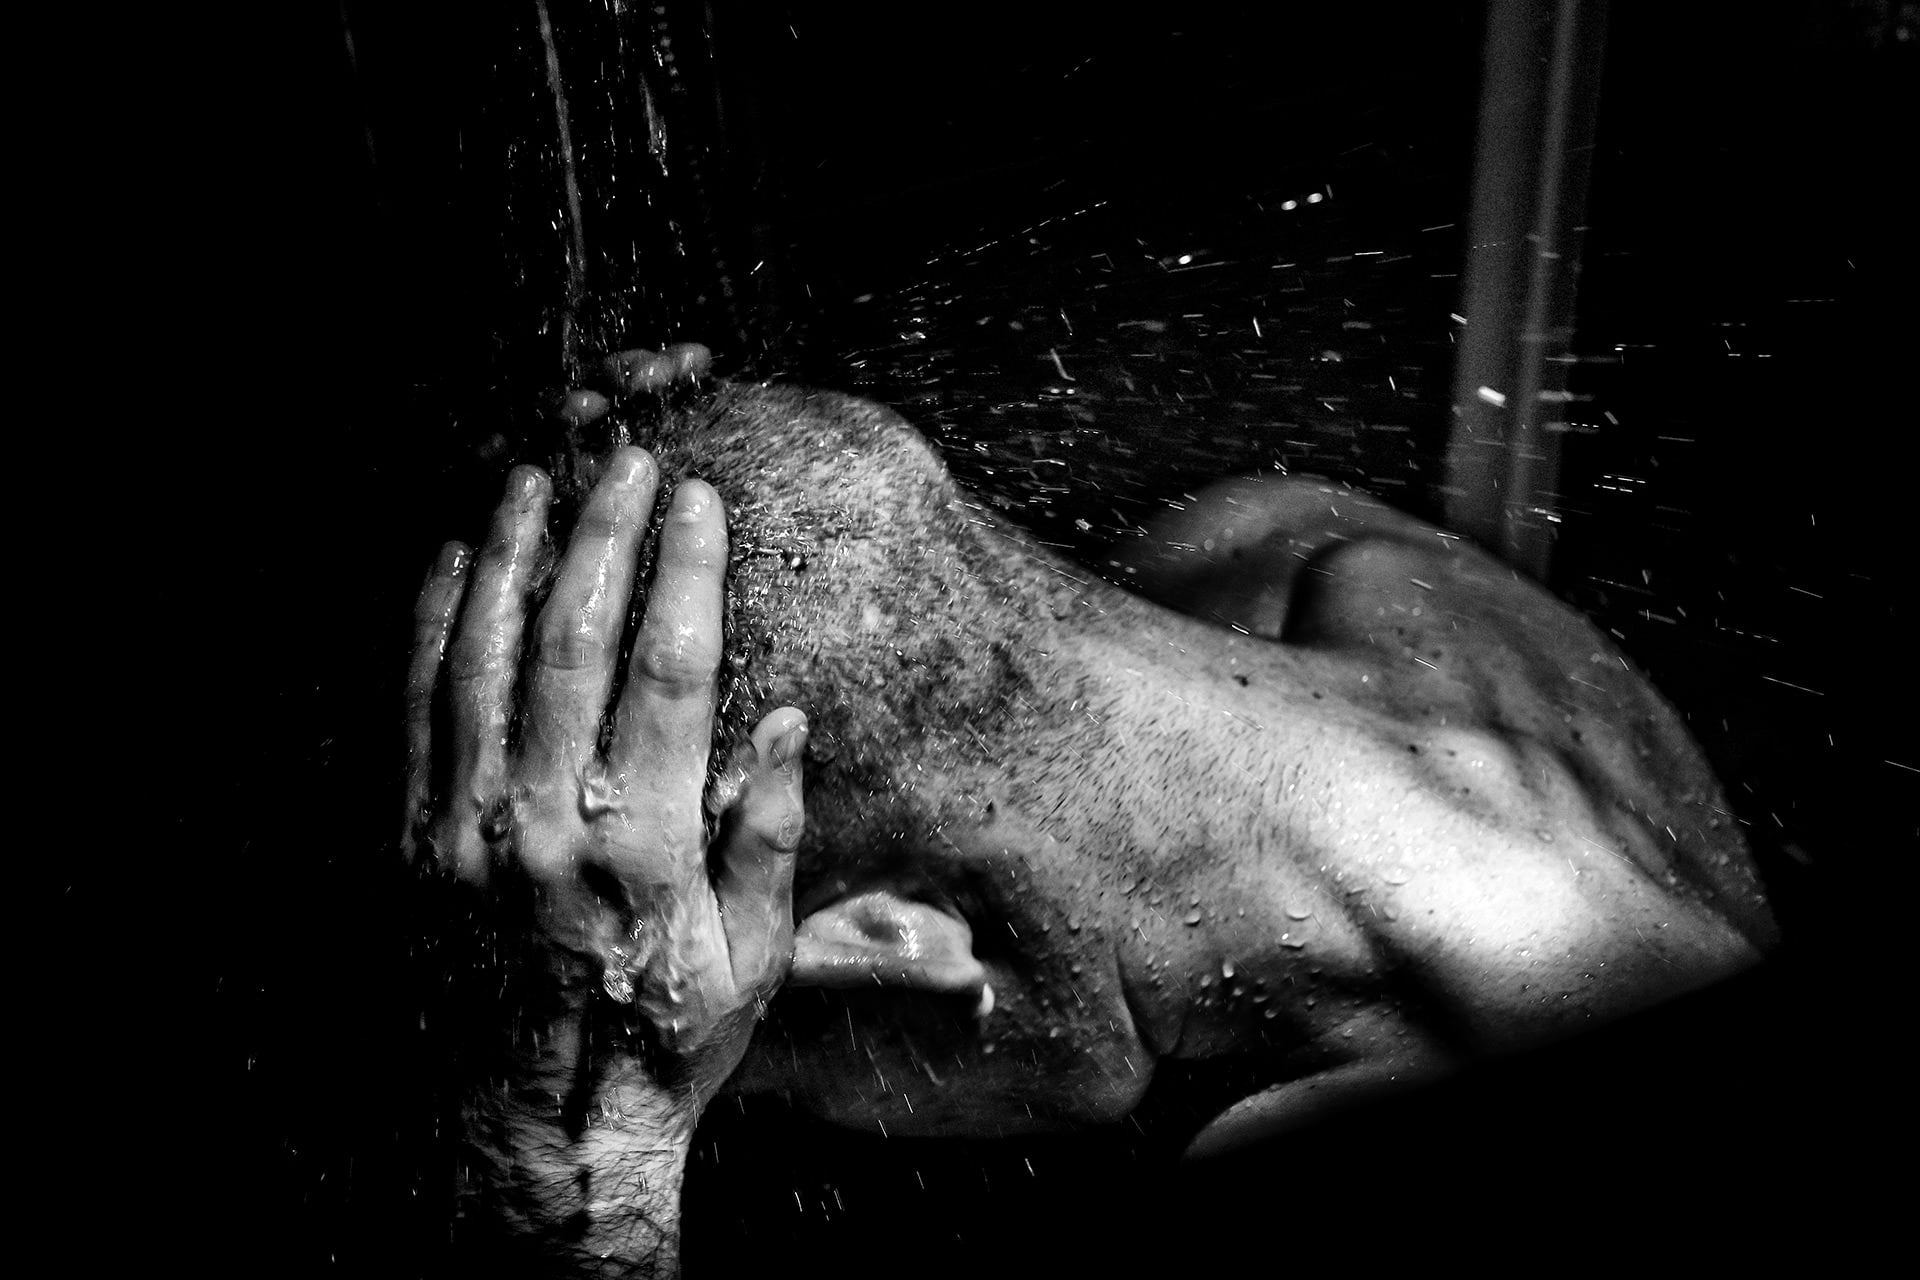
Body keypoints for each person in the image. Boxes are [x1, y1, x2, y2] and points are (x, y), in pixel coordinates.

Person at [403, 344, 1775, 1275]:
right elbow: (871, 598)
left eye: (770, 1046)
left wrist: (588, 1151)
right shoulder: (1289, 550)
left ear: (894, 949)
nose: (765, 1089)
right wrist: (685, 471)